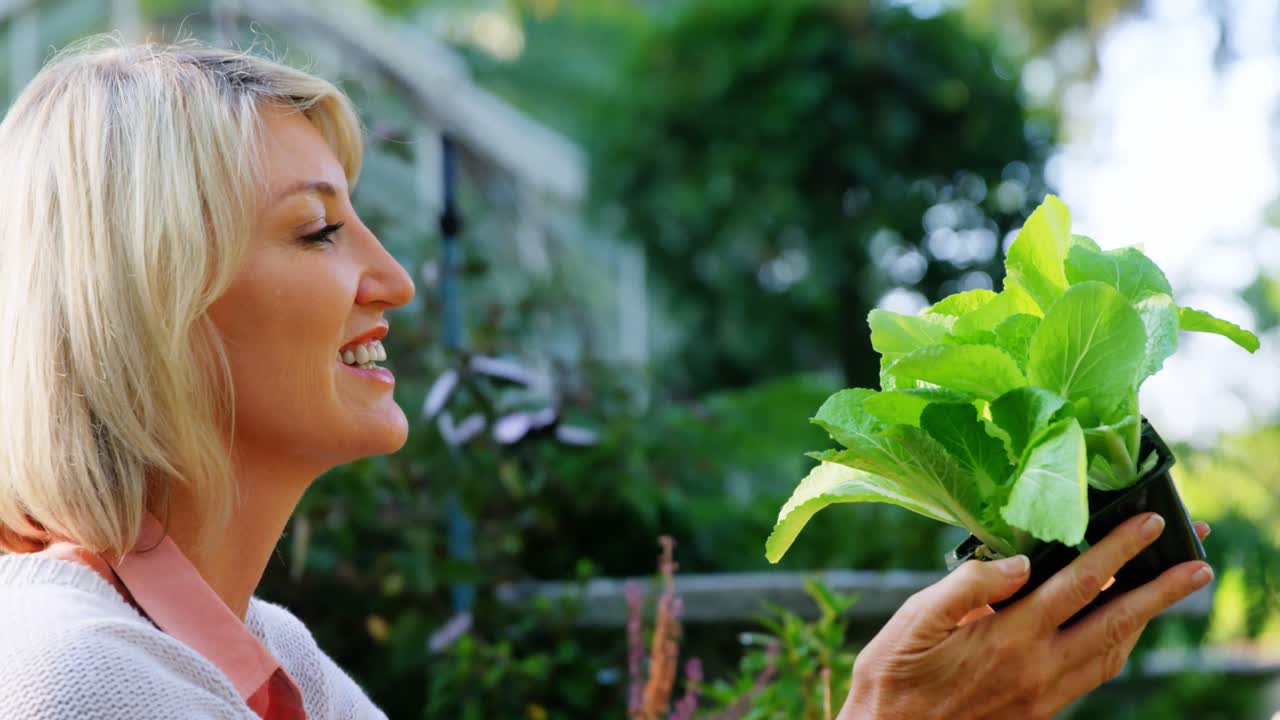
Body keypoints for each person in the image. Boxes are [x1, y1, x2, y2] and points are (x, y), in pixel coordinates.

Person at [0, 40, 1214, 720]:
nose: (393, 281)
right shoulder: (85, 681)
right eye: (317, 231)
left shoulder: (268, 656)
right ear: (151, 299)